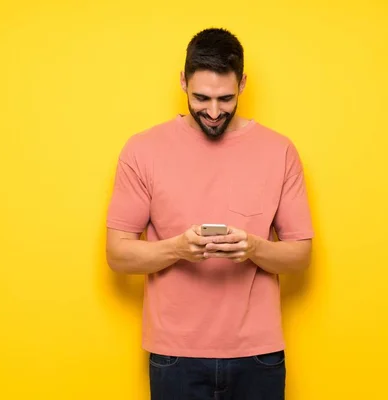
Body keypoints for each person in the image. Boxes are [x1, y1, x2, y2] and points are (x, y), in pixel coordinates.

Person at [105, 27, 314, 400]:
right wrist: (179, 249)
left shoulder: (279, 150)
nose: (214, 112)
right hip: (175, 355)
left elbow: (300, 255)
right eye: (201, 97)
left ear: (243, 84)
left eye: (226, 98)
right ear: (183, 81)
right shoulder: (142, 150)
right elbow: (117, 254)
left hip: (259, 353)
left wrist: (252, 248)